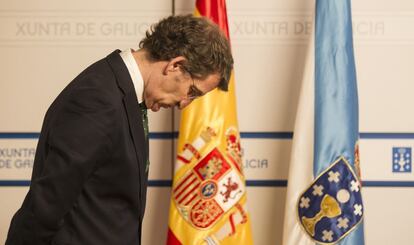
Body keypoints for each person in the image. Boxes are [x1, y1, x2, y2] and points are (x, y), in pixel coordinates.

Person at [6, 14, 233, 245]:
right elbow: (47, 204)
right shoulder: (97, 99)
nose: (185, 104)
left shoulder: (124, 93)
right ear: (176, 65)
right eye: (192, 91)